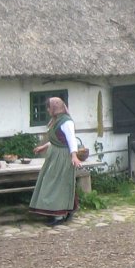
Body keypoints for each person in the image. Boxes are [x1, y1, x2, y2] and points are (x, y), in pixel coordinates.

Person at [29, 96, 83, 226]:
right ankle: (64, 211)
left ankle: (59, 215)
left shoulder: (66, 122)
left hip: (63, 156)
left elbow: (71, 140)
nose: (48, 110)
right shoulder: (56, 120)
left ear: (54, 108)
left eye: (49, 108)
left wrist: (74, 156)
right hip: (54, 155)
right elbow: (58, 139)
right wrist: (44, 146)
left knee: (58, 183)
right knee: (53, 182)